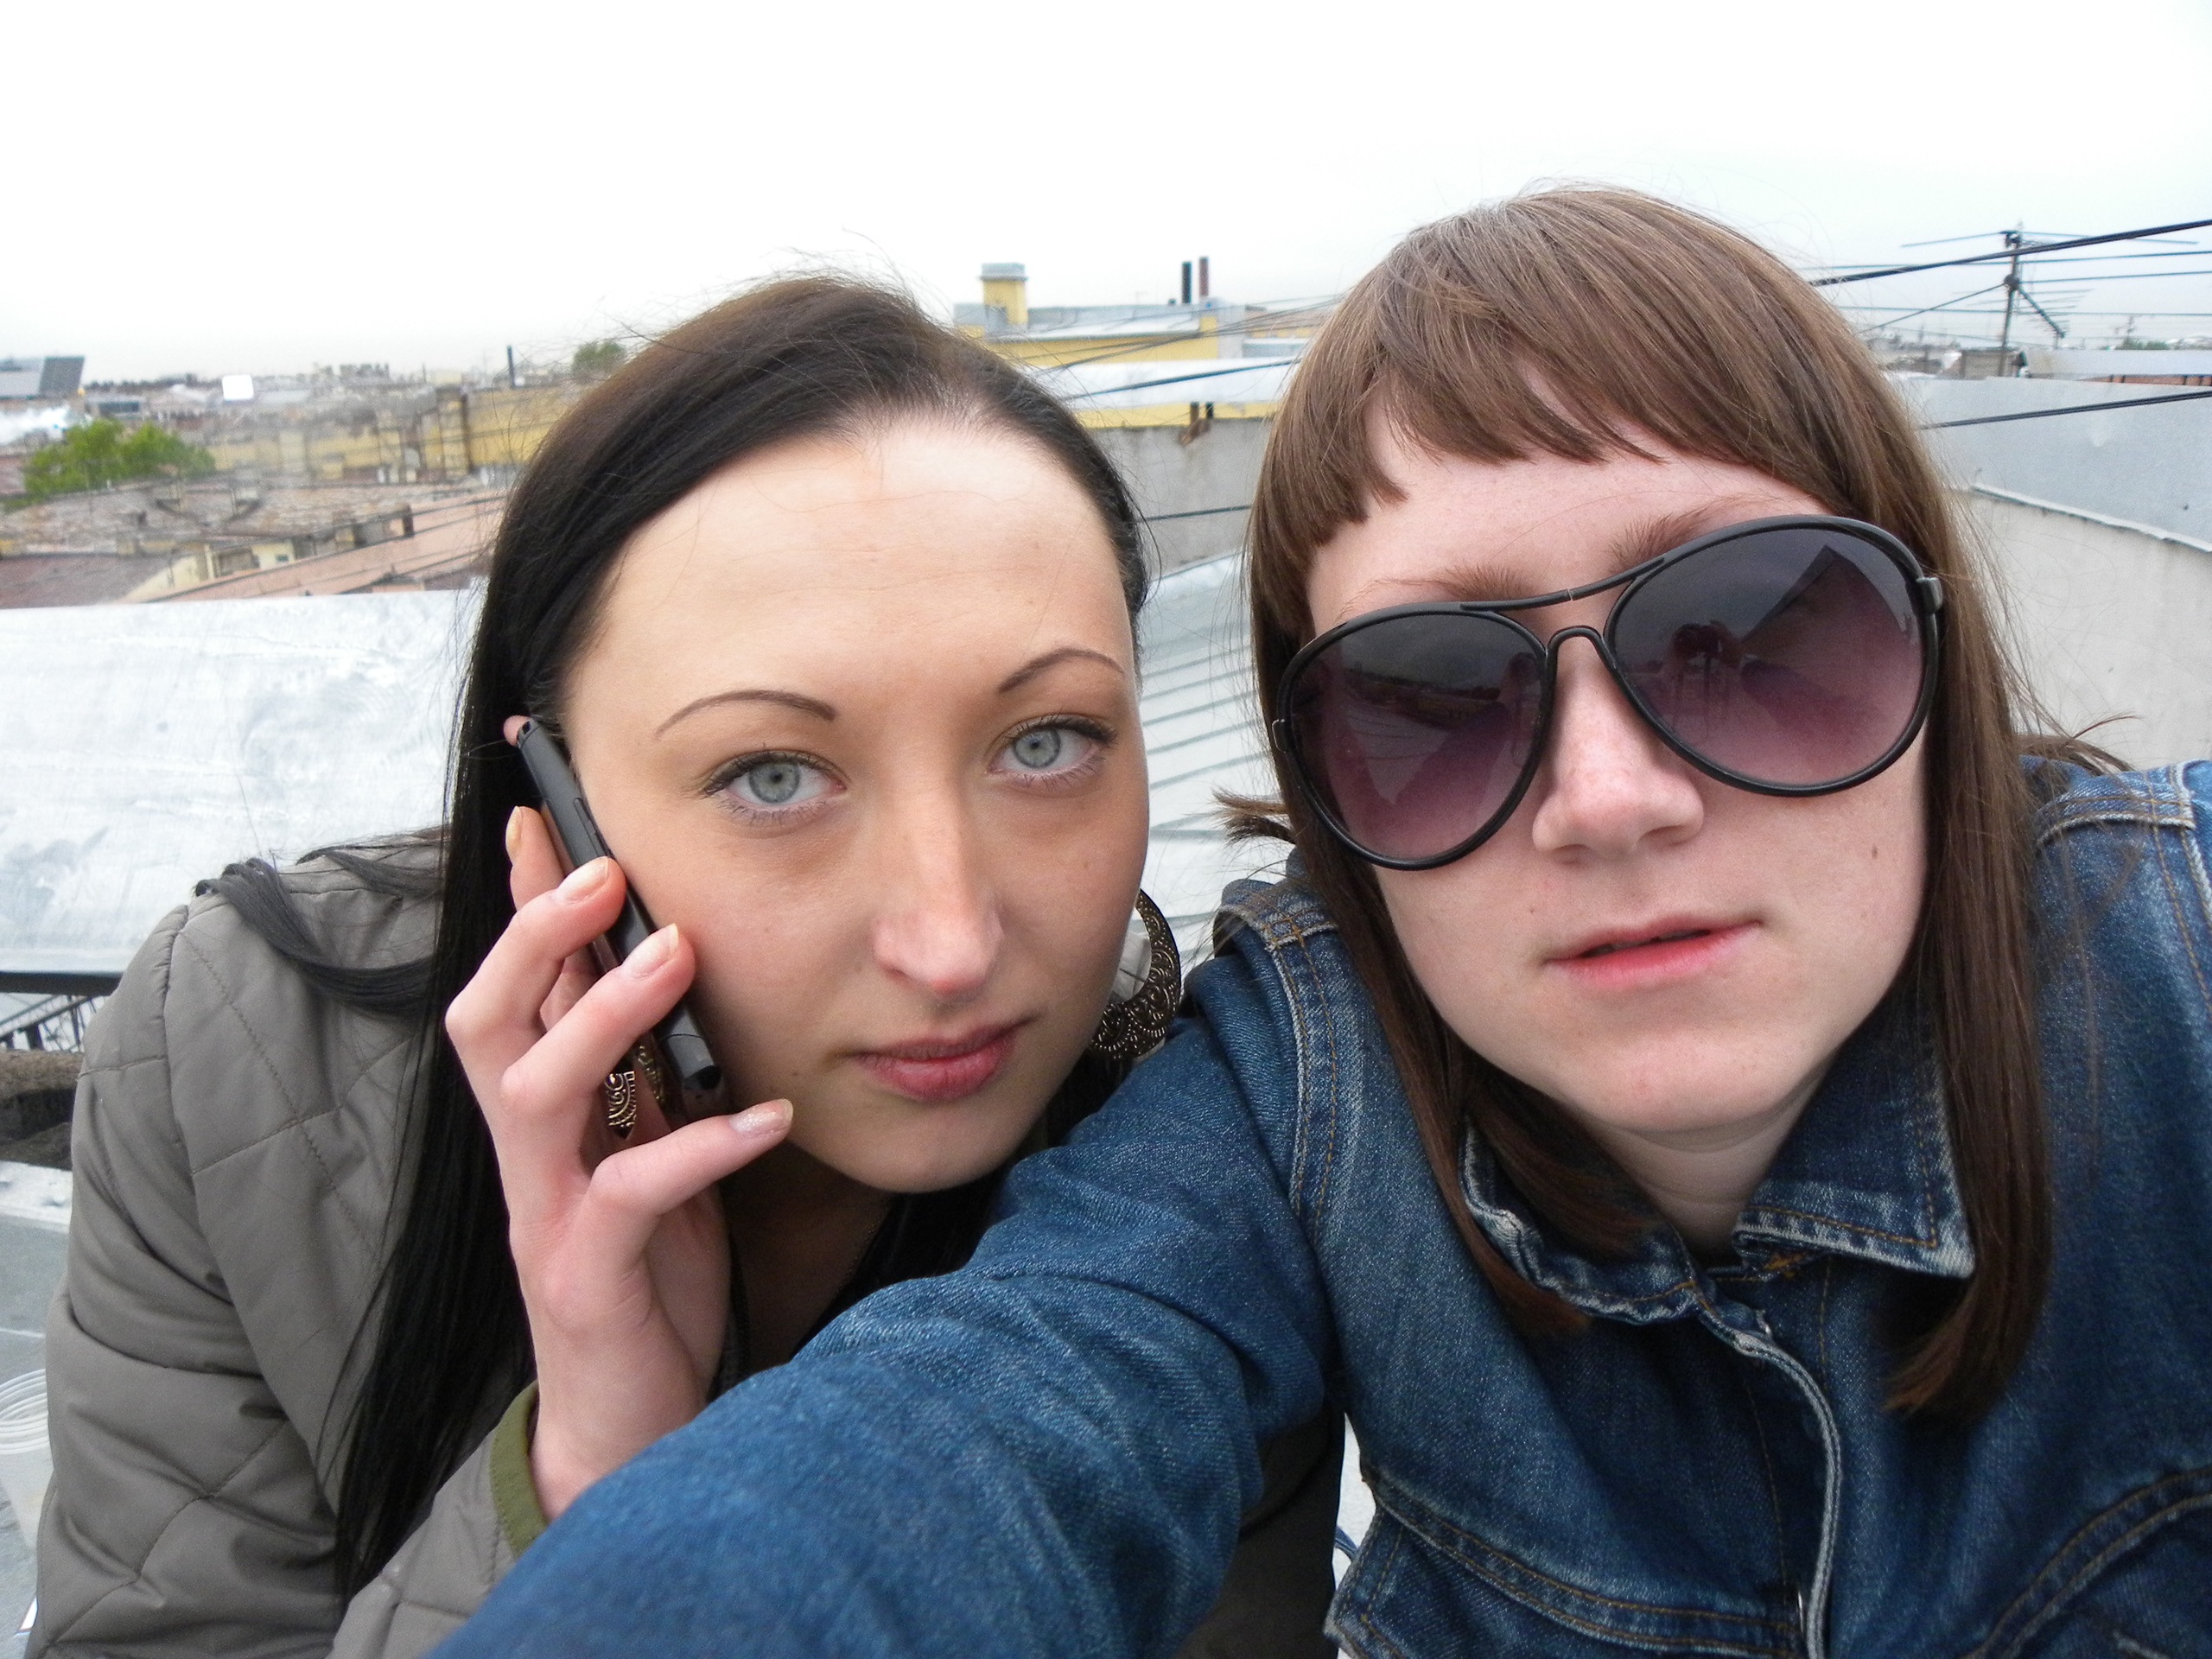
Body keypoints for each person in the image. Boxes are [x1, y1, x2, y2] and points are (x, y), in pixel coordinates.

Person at [432, 188, 2212, 1659]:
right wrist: (605, 1469)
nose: (1609, 798)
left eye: (1748, 636)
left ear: (1928, 646)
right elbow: (1000, 1422)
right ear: (1327, 796)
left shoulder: (2176, 957)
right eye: (1436, 697)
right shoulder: (1294, 1103)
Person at [35, 279, 1340, 1659]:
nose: (951, 943)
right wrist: (583, 1476)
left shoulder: (1218, 1170)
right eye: (772, 775)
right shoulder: (241, 1056)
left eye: (1046, 743)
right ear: (556, 801)